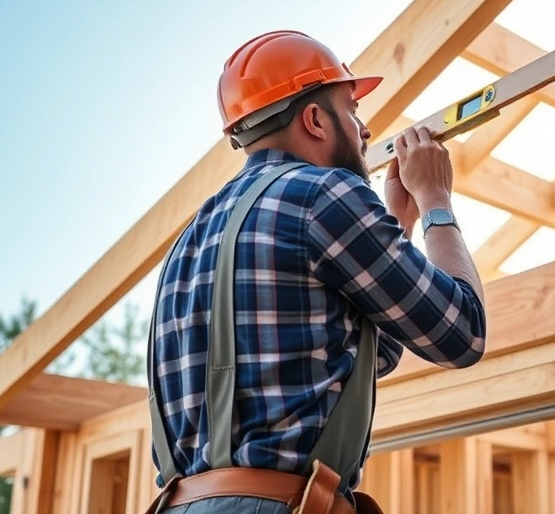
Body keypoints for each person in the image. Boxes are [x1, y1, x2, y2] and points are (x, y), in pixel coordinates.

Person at [144, 30, 487, 514]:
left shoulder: (189, 239)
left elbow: (367, 357)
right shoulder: (323, 194)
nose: (365, 130)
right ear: (314, 120)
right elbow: (461, 333)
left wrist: (398, 227)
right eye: (352, 111)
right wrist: (434, 199)